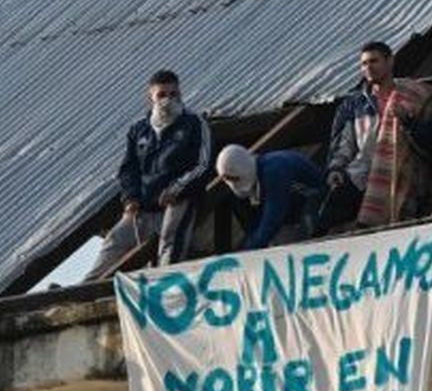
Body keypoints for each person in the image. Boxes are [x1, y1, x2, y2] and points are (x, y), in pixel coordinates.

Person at [84, 70, 213, 280]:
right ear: (150, 97)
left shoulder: (195, 124)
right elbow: (128, 169)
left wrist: (177, 188)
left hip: (177, 200)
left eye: (174, 94)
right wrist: (130, 198)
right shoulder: (138, 130)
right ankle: (82, 289)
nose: (168, 100)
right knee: (115, 239)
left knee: (170, 242)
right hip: (143, 207)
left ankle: (164, 284)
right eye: (162, 94)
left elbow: (203, 165)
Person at [319, 42, 432, 230]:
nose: (368, 68)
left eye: (374, 61)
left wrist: (408, 122)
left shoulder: (414, 95)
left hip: (404, 177)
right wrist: (335, 169)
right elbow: (345, 144)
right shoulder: (355, 104)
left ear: (390, 61)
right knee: (327, 218)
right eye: (364, 64)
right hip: (361, 176)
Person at [214, 145, 328, 251]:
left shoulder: (274, 170)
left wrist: (250, 249)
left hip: (315, 204)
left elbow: (273, 216)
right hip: (292, 211)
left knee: (292, 239)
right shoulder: (259, 171)